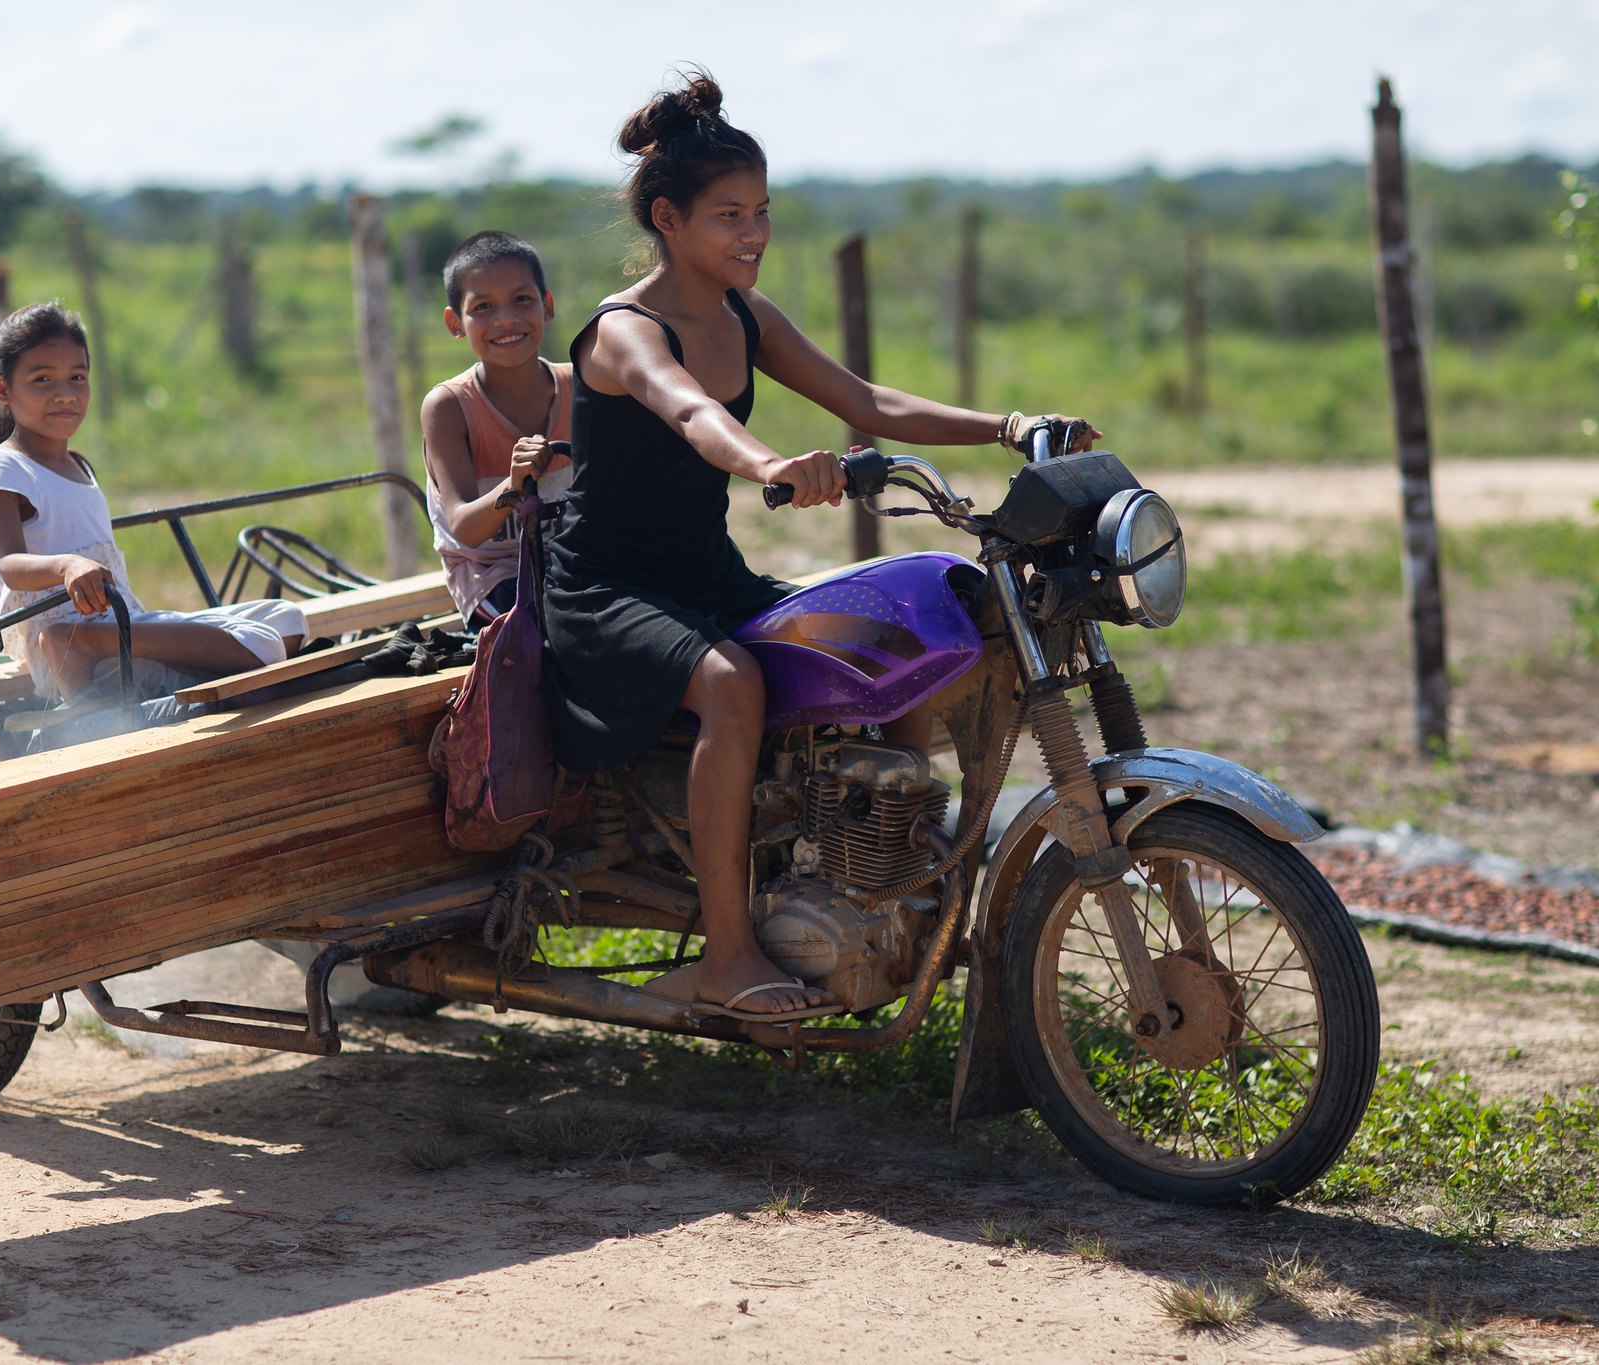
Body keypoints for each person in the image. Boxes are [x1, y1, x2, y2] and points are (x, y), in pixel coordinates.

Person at [547, 72, 1097, 1019]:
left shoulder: (745, 314)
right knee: (731, 684)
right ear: (669, 219)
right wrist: (771, 462)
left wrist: (1011, 424)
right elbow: (687, 414)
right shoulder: (624, 331)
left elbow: (870, 403)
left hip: (702, 576)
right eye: (729, 216)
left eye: (762, 212)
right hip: (607, 590)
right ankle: (725, 956)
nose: (753, 234)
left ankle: (879, 892)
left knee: (897, 646)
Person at [0, 302, 307, 703]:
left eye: (77, 376)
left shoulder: (77, 465)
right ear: (1, 388)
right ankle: (76, 645)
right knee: (264, 646)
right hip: (63, 640)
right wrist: (66, 565)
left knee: (289, 619)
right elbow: (7, 564)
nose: (65, 394)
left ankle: (168, 658)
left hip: (120, 626)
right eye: (42, 379)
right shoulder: (4, 466)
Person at [421, 231, 575, 628]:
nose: (506, 319)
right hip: (496, 581)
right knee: (557, 623)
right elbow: (465, 529)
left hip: (577, 563)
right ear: (455, 323)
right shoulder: (450, 407)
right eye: (483, 307)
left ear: (548, 305)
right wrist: (514, 484)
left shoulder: (582, 389)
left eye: (522, 299)